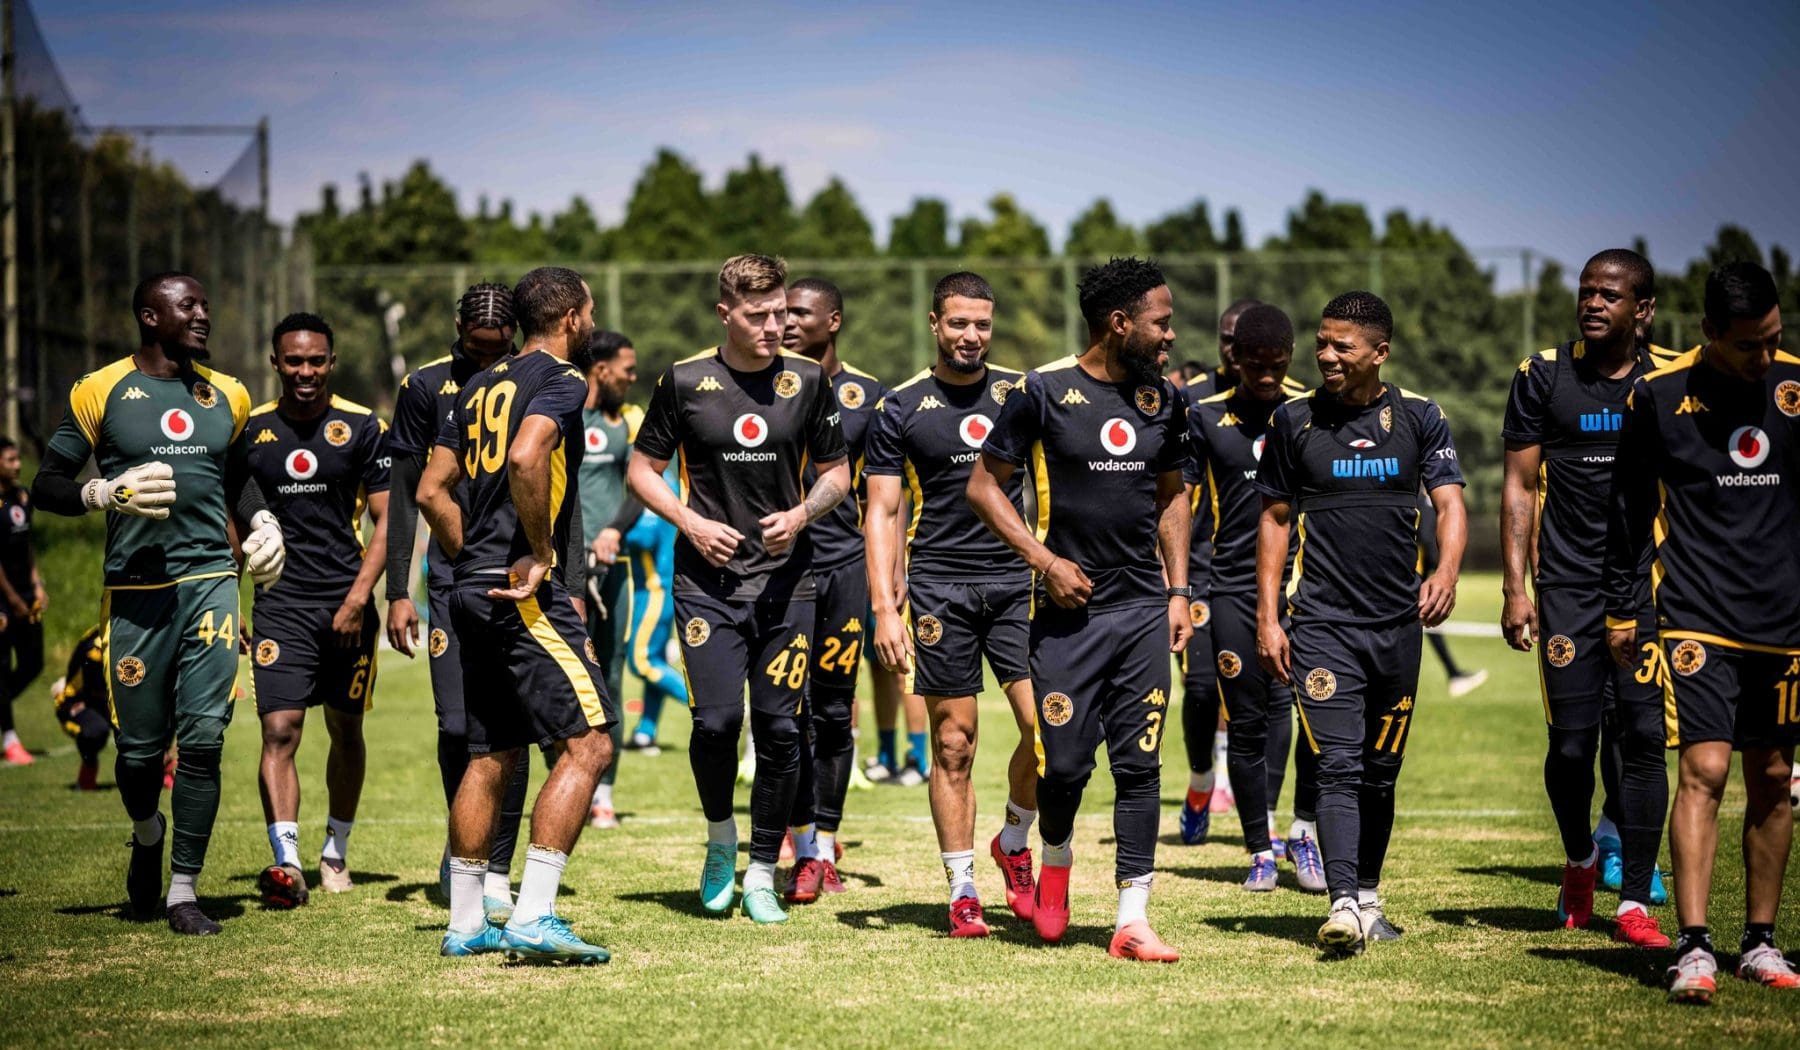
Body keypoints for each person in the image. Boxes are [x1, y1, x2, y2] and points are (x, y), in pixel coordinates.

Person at [31, 272, 285, 935]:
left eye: (205, 302)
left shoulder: (226, 393)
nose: (203, 314)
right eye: (188, 305)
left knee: (203, 741)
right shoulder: (100, 390)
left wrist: (264, 525)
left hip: (210, 585)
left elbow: (238, 483)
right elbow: (47, 483)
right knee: (139, 755)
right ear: (150, 316)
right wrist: (98, 494)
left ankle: (182, 892)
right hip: (136, 595)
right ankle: (147, 836)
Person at [969, 257, 1190, 962]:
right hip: (1067, 619)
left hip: (1142, 614)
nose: (1171, 336)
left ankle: (1132, 918)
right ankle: (1052, 859)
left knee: (1141, 764)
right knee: (1062, 765)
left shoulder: (1166, 400)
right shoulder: (1042, 391)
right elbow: (982, 487)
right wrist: (1046, 561)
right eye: (1161, 322)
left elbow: (1172, 496)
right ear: (1118, 323)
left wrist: (1179, 590)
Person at [627, 254, 848, 925]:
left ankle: (760, 870)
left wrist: (802, 514)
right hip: (708, 585)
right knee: (717, 723)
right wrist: (690, 522)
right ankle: (721, 841)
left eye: (781, 312)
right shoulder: (686, 380)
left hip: (790, 585)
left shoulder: (807, 381)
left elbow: (838, 473)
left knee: (782, 730)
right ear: (725, 313)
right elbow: (642, 468)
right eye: (757, 316)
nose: (774, 326)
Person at [1604, 261, 1800, 1002]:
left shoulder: (1796, 388)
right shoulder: (1655, 398)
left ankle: (1760, 942)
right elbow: (1625, 516)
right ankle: (1693, 947)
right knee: (1706, 772)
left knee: (1775, 777)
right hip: (1695, 611)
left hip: (1785, 620)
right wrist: (1625, 611)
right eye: (1751, 345)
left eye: (1776, 339)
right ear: (1710, 334)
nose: (1766, 357)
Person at [1254, 290, 1466, 957]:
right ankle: (1342, 903)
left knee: (1382, 770)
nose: (1326, 355)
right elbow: (1274, 521)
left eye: (1342, 345)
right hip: (1321, 626)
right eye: (1322, 342)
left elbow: (1451, 505)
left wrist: (1447, 573)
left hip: (1397, 628)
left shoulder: (1420, 418)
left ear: (1380, 351)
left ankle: (1368, 897)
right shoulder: (1295, 422)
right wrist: (1268, 617)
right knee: (1339, 765)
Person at [418, 265, 616, 963]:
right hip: (518, 593)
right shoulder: (562, 382)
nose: (591, 320)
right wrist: (533, 553)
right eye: (588, 310)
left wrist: (469, 554)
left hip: (465, 589)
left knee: (490, 752)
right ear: (570, 317)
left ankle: (467, 922)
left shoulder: (475, 386)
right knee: (589, 744)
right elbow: (531, 455)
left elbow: (430, 490)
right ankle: (533, 914)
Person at [1500, 248, 1676, 947]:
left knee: (1643, 740)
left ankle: (1634, 897)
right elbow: (1517, 485)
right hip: (1567, 589)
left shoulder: (1672, 380)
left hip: (1649, 590)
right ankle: (1579, 860)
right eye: (1586, 293)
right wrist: (1516, 587)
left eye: (1609, 294)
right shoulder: (1543, 375)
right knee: (1572, 746)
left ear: (1644, 309)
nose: (1593, 304)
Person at [864, 270, 1038, 936]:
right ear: (935, 324)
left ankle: (1014, 843)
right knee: (954, 742)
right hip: (940, 584)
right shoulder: (901, 407)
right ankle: (962, 888)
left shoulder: (1022, 394)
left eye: (983, 324)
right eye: (959, 323)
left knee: (1048, 734)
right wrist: (885, 606)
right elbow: (881, 510)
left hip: (1019, 584)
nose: (972, 335)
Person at [385, 283, 533, 922]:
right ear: (458, 330)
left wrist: (570, 581)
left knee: (514, 727)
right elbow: (404, 490)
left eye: (498, 348)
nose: (486, 358)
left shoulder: (536, 381)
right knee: (456, 725)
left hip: (519, 578)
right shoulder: (426, 387)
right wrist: (399, 588)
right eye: (476, 347)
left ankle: (496, 868)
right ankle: (462, 839)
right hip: (448, 580)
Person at [235, 312, 390, 906]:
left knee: (345, 729)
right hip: (280, 604)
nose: (305, 372)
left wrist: (359, 600)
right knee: (280, 729)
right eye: (293, 361)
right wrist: (234, 593)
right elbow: (233, 512)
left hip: (345, 603)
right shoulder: (248, 432)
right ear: (275, 362)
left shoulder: (360, 427)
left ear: (332, 361)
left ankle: (336, 850)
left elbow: (386, 521)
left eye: (315, 361)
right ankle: (288, 861)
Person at [1186, 303, 1323, 892]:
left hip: (1310, 591)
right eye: (1256, 365)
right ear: (1232, 358)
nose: (1267, 377)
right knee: (1245, 722)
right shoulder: (1205, 417)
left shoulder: (1310, 413)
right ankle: (1260, 848)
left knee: (1313, 714)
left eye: (1277, 365)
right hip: (1233, 590)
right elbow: (1180, 507)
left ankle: (1305, 833)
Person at [781, 277, 888, 902]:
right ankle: (798, 842)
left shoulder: (867, 396)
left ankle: (823, 848)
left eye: (801, 313)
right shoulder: (760, 385)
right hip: (778, 574)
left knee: (832, 713)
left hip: (843, 571)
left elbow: (882, 499)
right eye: (782, 312)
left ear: (835, 321)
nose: (788, 322)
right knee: (784, 714)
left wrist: (886, 579)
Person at [1179, 298, 1262, 825]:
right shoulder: (1191, 401)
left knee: (1262, 692)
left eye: (1242, 339)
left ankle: (1262, 809)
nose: (1232, 348)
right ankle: (1201, 780)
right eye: (1225, 337)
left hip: (1265, 571)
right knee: (1201, 686)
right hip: (1201, 566)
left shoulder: (1289, 402)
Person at [576, 330, 642, 829]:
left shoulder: (630, 420)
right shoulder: (560, 410)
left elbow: (641, 488)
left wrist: (612, 532)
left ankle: (605, 793)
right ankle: (568, 780)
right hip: (560, 573)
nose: (632, 376)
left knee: (611, 679)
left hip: (614, 575)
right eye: (627, 368)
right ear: (601, 369)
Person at [0, 437, 46, 765]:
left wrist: (37, 584)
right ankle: (10, 738)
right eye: (11, 459)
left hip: (25, 594)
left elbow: (26, 546)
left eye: (18, 459)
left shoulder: (23, 496)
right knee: (1, 668)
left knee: (33, 663)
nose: (17, 465)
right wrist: (12, 600)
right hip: (2, 600)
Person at [51, 626, 109, 790]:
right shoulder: (96, 645)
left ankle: (164, 774)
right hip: (76, 703)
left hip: (108, 701)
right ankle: (87, 775)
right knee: (96, 730)